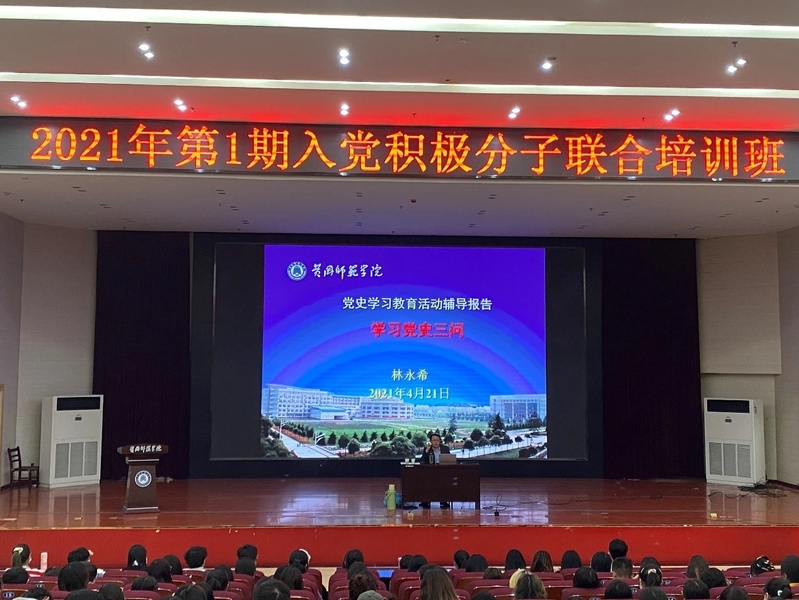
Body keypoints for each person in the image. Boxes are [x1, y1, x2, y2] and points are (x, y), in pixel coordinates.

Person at [419, 433, 452, 508]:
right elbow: (422, 461)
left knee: (445, 480)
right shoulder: (427, 449)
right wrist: (426, 452)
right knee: (426, 480)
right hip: (430, 472)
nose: (436, 442)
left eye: (437, 440)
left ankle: (443, 501)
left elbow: (449, 459)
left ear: (440, 441)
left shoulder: (445, 449)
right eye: (434, 440)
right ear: (431, 442)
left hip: (443, 471)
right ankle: (426, 501)